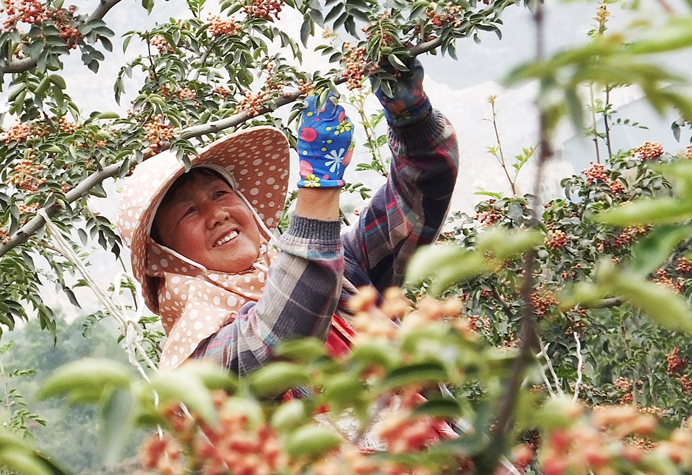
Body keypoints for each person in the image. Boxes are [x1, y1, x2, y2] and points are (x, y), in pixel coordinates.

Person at [116, 59, 458, 374]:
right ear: (166, 256)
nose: (217, 213)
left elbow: (413, 205)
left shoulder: (343, 270)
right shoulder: (200, 360)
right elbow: (278, 333)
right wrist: (318, 186)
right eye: (189, 212)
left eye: (220, 193)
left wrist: (412, 118)